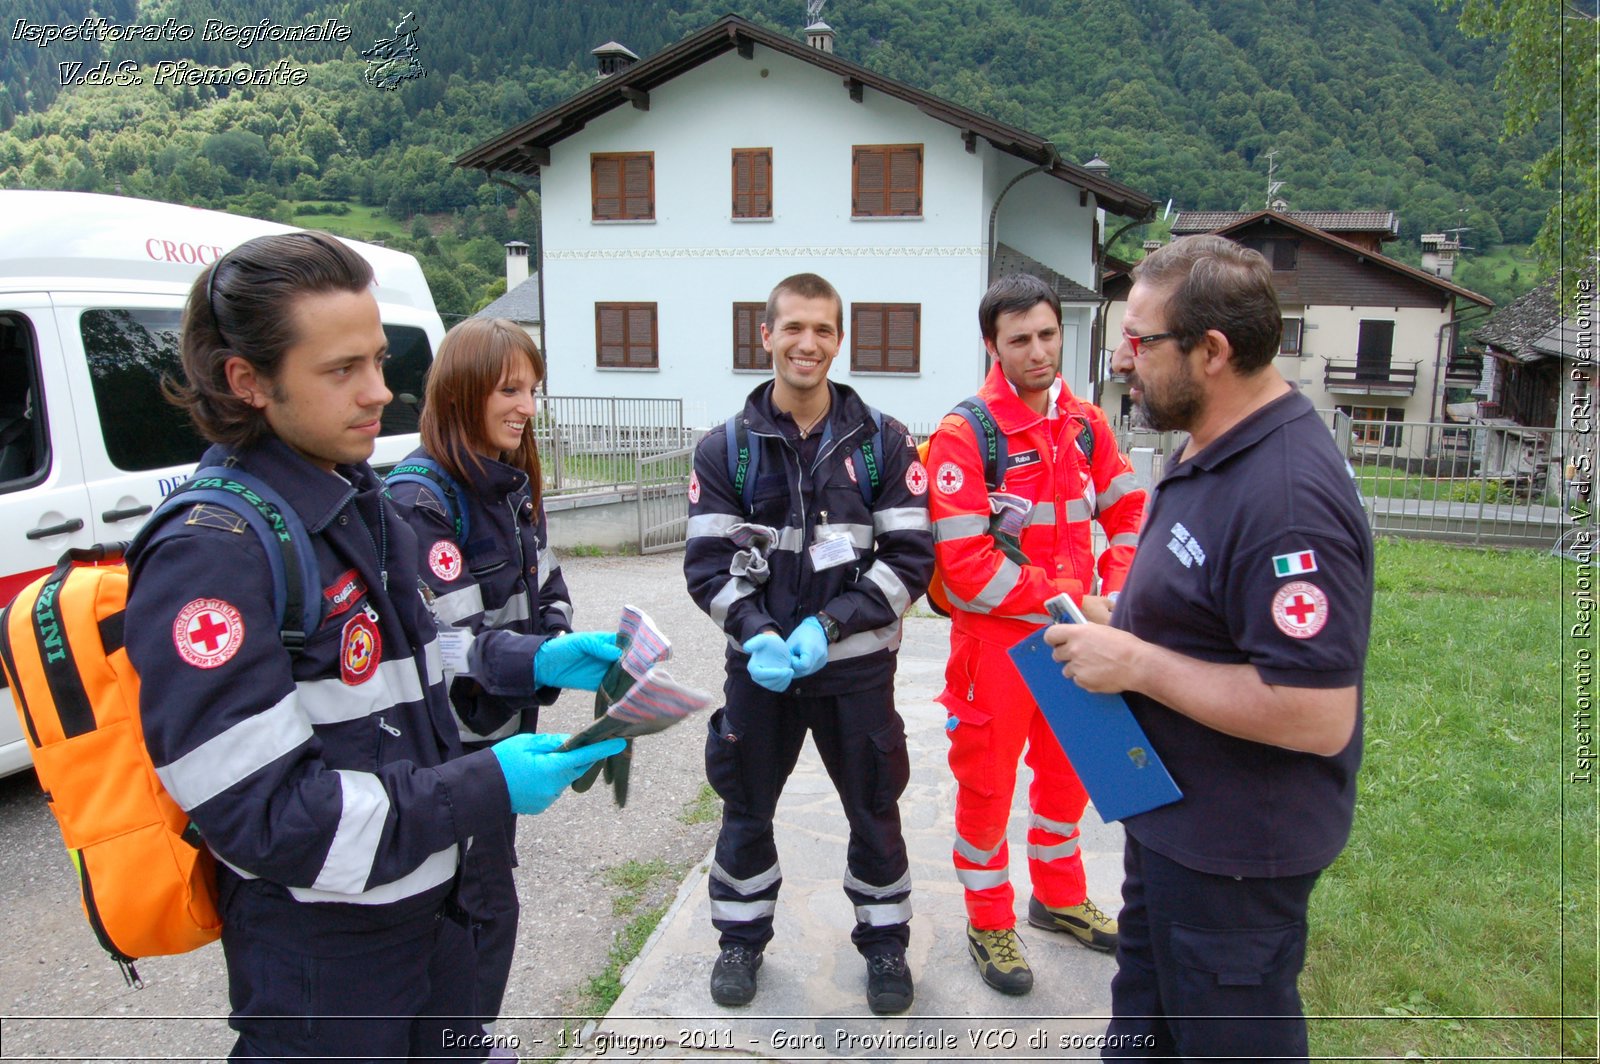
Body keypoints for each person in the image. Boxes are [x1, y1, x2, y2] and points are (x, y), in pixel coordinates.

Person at [126, 231, 624, 1063]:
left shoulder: (355, 502)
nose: (380, 394)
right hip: (331, 964)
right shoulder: (213, 550)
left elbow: (431, 663)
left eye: (379, 361)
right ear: (247, 382)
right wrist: (481, 785)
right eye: (341, 370)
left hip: (431, 920)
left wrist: (530, 661)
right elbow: (267, 817)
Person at [1044, 235, 1373, 1060]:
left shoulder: (1288, 499)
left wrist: (1139, 663)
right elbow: (1213, 603)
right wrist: (1123, 613)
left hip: (1235, 863)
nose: (1124, 360)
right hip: (1173, 827)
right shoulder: (1209, 442)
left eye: (1142, 341)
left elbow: (1315, 713)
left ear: (1213, 351)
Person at [683, 272, 934, 1015]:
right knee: (746, 810)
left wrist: (828, 626)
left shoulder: (884, 443)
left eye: (823, 329)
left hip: (854, 676)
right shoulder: (724, 450)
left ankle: (885, 946)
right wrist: (758, 634)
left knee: (874, 810)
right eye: (793, 327)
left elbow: (911, 560)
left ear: (839, 339)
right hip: (759, 677)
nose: (808, 343)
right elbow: (706, 567)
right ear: (764, 336)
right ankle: (740, 939)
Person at [385, 318, 606, 1050]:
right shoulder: (421, 499)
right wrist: (538, 659)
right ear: (461, 390)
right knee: (473, 912)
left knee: (488, 904)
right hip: (454, 758)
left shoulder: (511, 487)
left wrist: (560, 639)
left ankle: (467, 1037)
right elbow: (451, 647)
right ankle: (464, 1042)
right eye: (511, 388)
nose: (527, 407)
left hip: (503, 746)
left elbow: (551, 586)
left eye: (533, 390)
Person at [924, 273, 1145, 997]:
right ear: (993, 345)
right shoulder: (963, 436)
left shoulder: (1084, 422)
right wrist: (1073, 603)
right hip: (997, 653)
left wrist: (1115, 586)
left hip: (1077, 640)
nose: (1038, 351)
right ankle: (989, 918)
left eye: (1048, 334)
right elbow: (964, 571)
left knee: (1067, 775)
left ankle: (1056, 896)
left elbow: (1130, 511)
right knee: (985, 788)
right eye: (1020, 339)